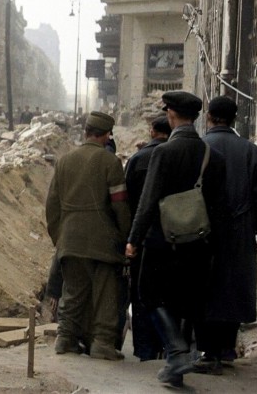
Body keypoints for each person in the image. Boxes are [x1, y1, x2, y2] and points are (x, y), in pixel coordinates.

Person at [125, 91, 227, 387]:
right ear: (195, 117)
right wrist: (215, 245)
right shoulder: (213, 157)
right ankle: (175, 364)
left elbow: (148, 201)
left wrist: (134, 238)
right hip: (198, 242)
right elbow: (219, 207)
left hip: (161, 242)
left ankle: (177, 351)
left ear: (170, 116)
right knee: (188, 301)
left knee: (150, 295)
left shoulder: (163, 153)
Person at [194, 96, 257, 374]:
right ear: (234, 120)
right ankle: (226, 348)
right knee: (232, 287)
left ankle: (206, 349)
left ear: (209, 117)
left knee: (205, 287)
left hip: (203, 231)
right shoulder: (250, 150)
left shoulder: (200, 146)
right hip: (239, 232)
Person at [45, 111, 131, 361]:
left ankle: (65, 339)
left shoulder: (64, 161)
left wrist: (60, 238)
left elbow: (52, 206)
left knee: (73, 291)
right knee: (106, 292)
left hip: (70, 240)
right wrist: (125, 237)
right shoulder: (110, 163)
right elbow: (120, 205)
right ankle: (102, 343)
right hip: (102, 241)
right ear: (106, 135)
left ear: (85, 132)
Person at [123, 116, 171, 362]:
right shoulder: (176, 156)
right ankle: (167, 346)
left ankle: (144, 349)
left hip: (142, 239)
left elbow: (128, 202)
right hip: (174, 238)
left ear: (151, 131)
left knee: (141, 294)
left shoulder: (137, 160)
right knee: (168, 293)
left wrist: (130, 238)